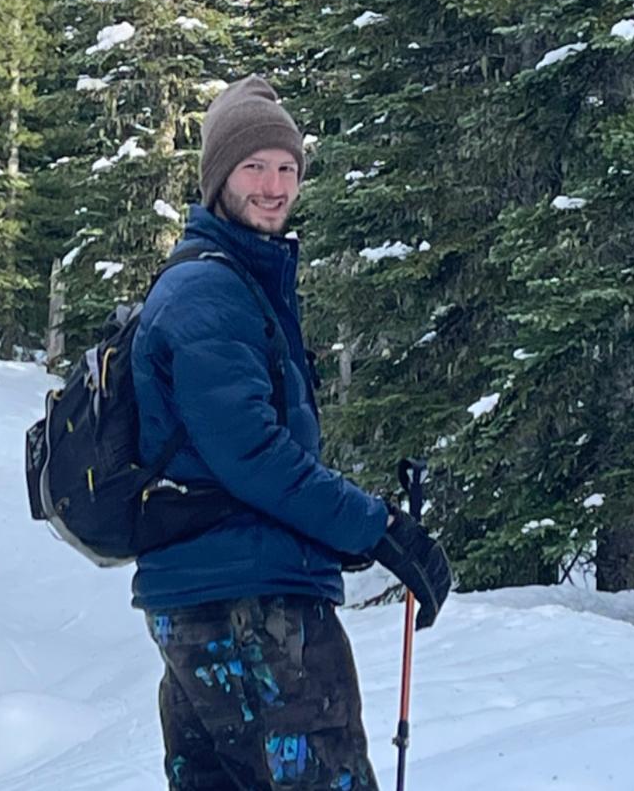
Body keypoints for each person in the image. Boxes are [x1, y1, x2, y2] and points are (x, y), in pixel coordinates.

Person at [131, 75, 452, 791]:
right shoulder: (210, 294)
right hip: (250, 607)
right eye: (255, 167)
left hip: (208, 598)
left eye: (287, 168)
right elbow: (252, 456)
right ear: (219, 177)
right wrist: (379, 528)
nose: (274, 185)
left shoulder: (231, 281)